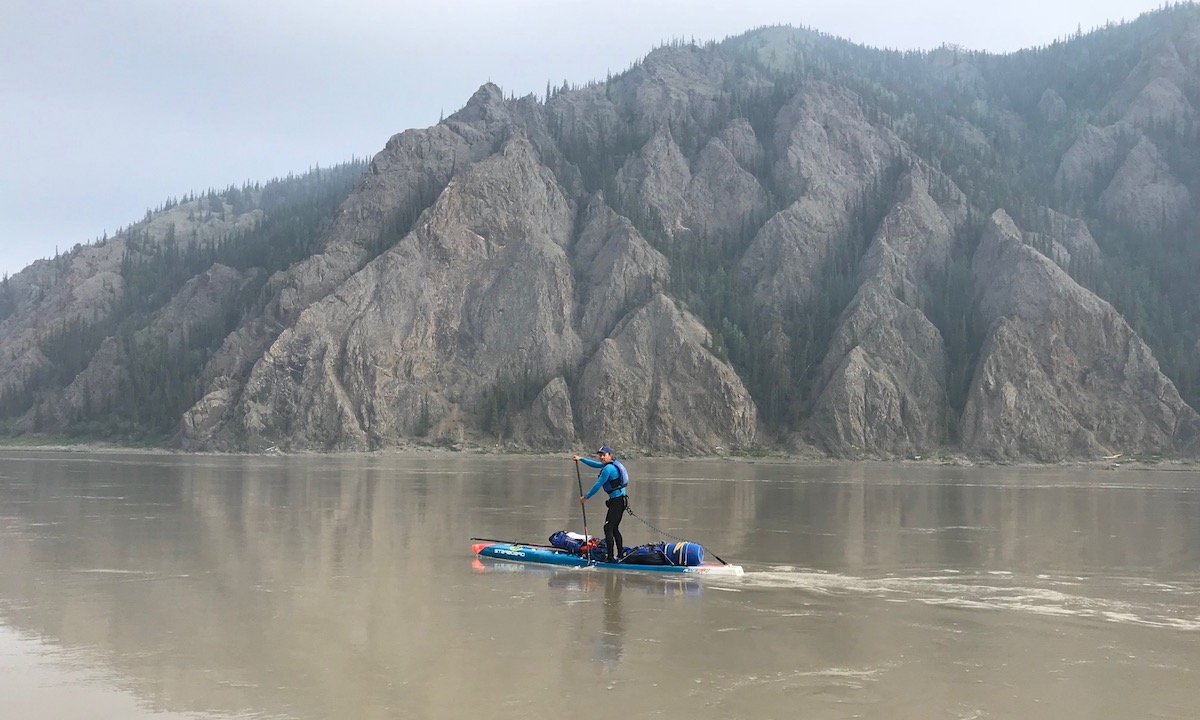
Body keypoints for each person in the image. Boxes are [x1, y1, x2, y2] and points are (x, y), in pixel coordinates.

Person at [572, 445, 629, 563]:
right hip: (620, 500)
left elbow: (598, 485)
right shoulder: (610, 465)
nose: (602, 457)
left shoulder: (608, 469)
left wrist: (585, 497)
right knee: (614, 528)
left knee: (608, 528)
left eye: (604, 455)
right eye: (600, 455)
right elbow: (595, 465)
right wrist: (581, 459)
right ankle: (620, 554)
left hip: (617, 502)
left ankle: (611, 558)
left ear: (610, 455)